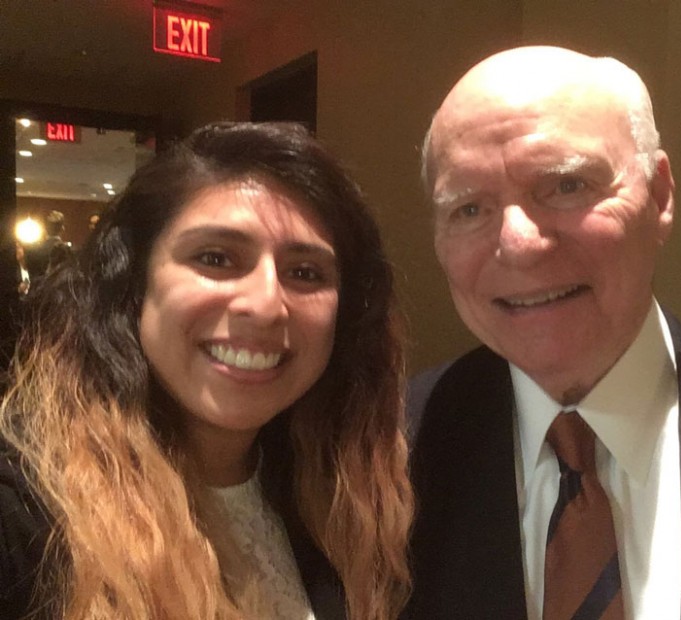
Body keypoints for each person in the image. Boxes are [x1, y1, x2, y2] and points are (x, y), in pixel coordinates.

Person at [407, 46, 681, 620]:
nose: (519, 244)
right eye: (468, 209)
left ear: (658, 195)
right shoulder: (381, 459)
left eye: (565, 184)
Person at [0, 122, 412, 620]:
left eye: (306, 273)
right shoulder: (22, 512)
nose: (265, 305)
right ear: (133, 285)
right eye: (216, 258)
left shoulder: (340, 494)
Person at [24, 209, 72, 282]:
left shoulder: (33, 249)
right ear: (62, 228)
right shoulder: (68, 251)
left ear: (45, 229)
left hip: (38, 291)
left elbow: (31, 273)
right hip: (58, 292)